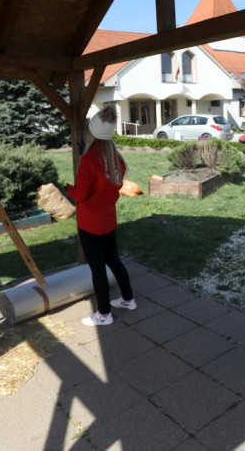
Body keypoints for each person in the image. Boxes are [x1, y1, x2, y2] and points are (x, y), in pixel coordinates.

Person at [66, 104, 136, 326]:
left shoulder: (88, 159)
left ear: (91, 132)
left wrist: (69, 189)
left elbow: (81, 194)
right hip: (108, 218)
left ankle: (104, 314)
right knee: (113, 259)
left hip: (90, 222)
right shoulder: (116, 157)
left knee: (97, 269)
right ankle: (128, 299)